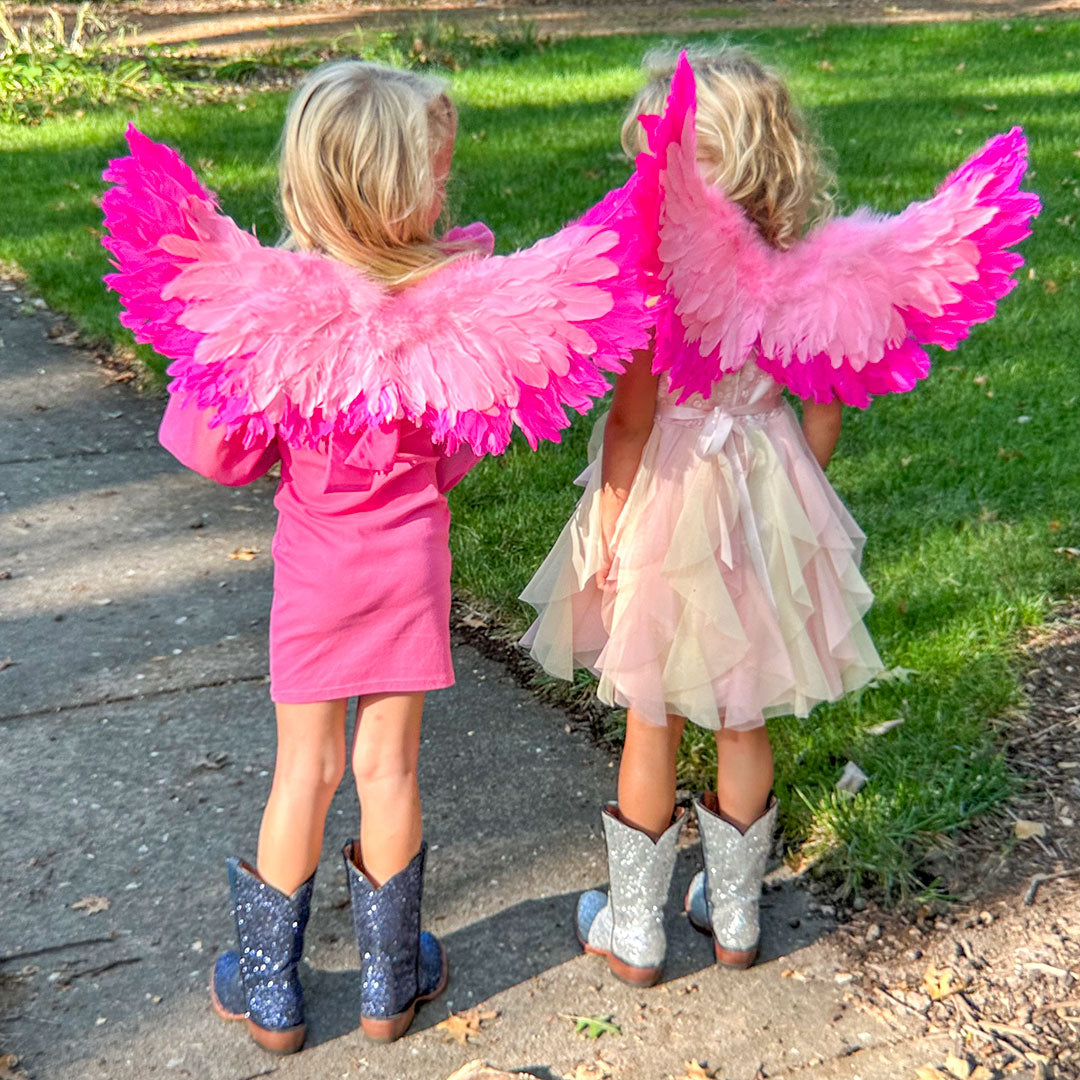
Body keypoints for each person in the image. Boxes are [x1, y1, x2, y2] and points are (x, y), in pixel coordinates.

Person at [101, 60, 651, 1051]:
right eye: (438, 172)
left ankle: (271, 994)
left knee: (302, 774)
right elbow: (465, 445)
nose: (448, 188)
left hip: (315, 573)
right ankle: (389, 985)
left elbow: (218, 452)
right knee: (388, 772)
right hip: (409, 568)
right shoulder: (450, 320)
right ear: (406, 188)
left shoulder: (280, 324)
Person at [521, 46, 1039, 985]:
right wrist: (790, 496)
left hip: (672, 498)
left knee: (651, 714)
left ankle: (635, 930)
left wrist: (606, 518)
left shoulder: (658, 283)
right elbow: (825, 406)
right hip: (765, 491)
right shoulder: (816, 278)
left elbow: (634, 423)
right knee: (742, 710)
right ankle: (734, 917)